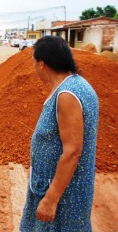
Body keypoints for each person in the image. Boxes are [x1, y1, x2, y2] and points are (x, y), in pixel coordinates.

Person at [20, 36, 99, 231]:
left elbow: (73, 151)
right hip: (59, 186)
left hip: (62, 194)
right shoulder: (77, 84)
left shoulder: (67, 95)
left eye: (33, 61)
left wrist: (50, 199)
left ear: (42, 63)